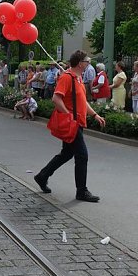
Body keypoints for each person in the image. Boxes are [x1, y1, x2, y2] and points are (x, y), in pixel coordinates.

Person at [33, 50, 106, 202]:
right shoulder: (67, 77)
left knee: (66, 153)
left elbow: (82, 102)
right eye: (87, 61)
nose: (89, 63)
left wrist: (95, 115)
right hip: (72, 123)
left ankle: (42, 176)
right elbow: (56, 98)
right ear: (80, 63)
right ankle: (81, 191)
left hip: (76, 122)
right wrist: (69, 116)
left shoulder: (78, 78)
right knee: (82, 155)